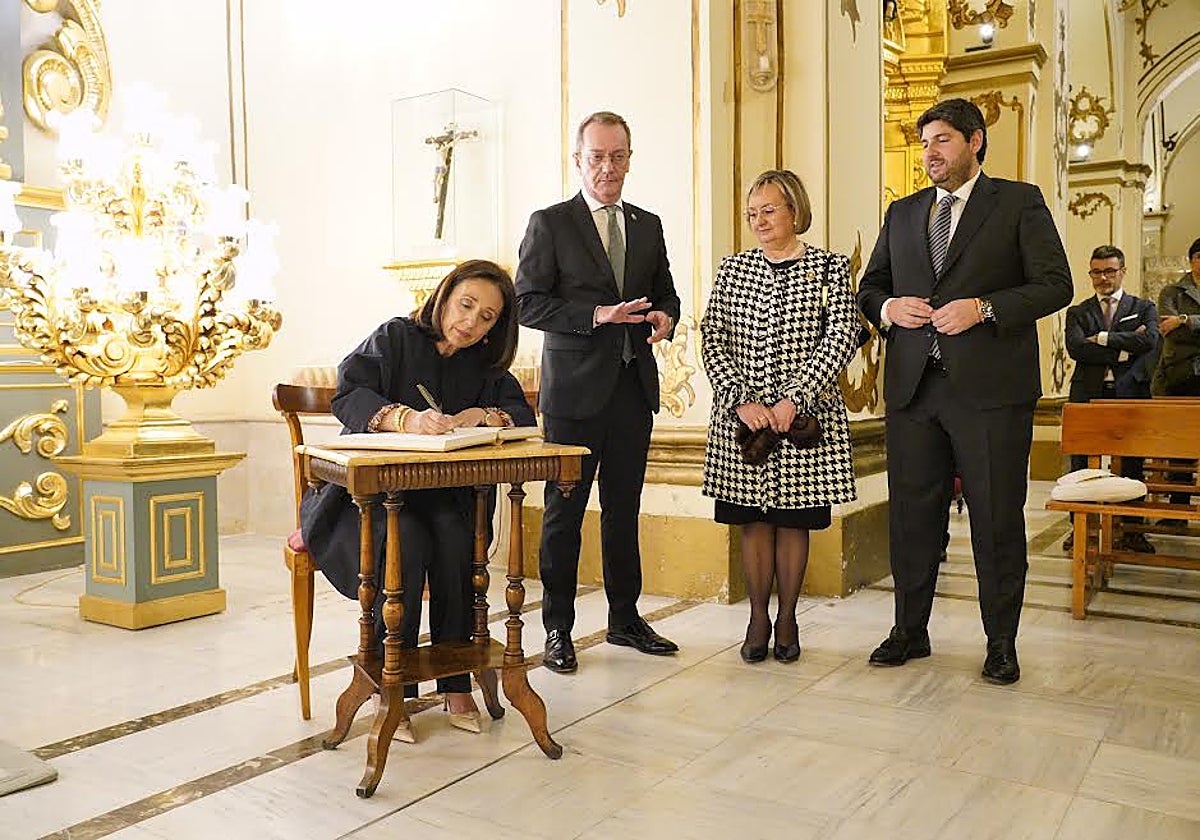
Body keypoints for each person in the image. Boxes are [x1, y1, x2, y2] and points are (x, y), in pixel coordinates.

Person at [857, 98, 1072, 685]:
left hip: (990, 395)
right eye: (925, 142)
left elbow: (1055, 285)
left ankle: (1001, 642)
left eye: (943, 140)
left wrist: (984, 308)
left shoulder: (1019, 202)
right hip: (914, 391)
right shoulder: (902, 214)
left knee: (997, 520)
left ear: (976, 141)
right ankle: (909, 629)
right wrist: (887, 307)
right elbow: (870, 286)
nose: (930, 152)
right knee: (911, 519)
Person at [300, 260, 535, 741]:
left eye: (488, 316)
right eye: (466, 305)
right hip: (373, 500)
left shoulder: (485, 363)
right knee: (403, 540)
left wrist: (482, 414)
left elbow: (519, 412)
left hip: (446, 497)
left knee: (454, 536)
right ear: (446, 296)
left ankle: (455, 683)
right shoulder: (396, 337)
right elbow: (349, 392)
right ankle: (395, 689)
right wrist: (404, 420)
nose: (471, 323)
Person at [515, 111, 682, 674]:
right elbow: (526, 303)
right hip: (573, 397)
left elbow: (667, 295)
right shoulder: (551, 222)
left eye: (617, 156)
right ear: (578, 161)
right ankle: (557, 629)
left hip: (633, 391)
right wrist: (596, 315)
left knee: (623, 511)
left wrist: (666, 318)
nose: (607, 167)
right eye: (597, 157)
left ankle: (624, 618)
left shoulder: (649, 224)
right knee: (564, 514)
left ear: (629, 159)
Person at [700, 169, 858, 664]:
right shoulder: (732, 269)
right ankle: (757, 617)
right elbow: (712, 339)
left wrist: (796, 398)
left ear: (795, 210)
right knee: (753, 522)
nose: (760, 220)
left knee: (793, 522)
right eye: (753, 213)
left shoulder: (829, 268)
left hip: (804, 421)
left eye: (769, 210)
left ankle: (788, 617)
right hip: (745, 422)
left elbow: (842, 335)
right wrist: (739, 399)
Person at [1062, 245, 1159, 554]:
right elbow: (1077, 349)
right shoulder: (1078, 311)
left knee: (1132, 462)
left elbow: (1149, 340)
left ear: (1122, 271)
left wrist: (1102, 339)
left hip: (1129, 394)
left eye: (1109, 271)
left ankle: (1131, 531)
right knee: (1080, 464)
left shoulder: (1143, 307)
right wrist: (1125, 348)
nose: (1102, 278)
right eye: (1096, 272)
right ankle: (1080, 528)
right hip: (1088, 395)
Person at [1152, 237, 1200, 510]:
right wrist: (1181, 326)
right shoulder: (1172, 292)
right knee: (1180, 448)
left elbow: (1177, 325)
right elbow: (1166, 326)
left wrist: (1185, 320)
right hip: (1180, 374)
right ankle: (1177, 509)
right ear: (1191, 260)